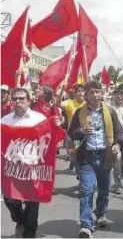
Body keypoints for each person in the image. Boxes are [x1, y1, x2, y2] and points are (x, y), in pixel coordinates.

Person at [1, 88, 61, 238]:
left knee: (32, 204)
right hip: (12, 169)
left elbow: (51, 134)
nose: (18, 101)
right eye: (15, 99)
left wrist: (58, 124)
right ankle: (19, 220)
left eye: (22, 98)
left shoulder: (39, 119)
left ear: (29, 100)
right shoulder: (5, 121)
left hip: (33, 168)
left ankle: (29, 233)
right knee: (11, 200)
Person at [68, 81, 123, 238]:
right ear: (86, 95)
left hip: (105, 156)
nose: (95, 95)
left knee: (104, 189)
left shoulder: (110, 112)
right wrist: (81, 130)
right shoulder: (79, 112)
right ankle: (86, 224)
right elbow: (71, 133)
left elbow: (120, 133)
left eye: (97, 92)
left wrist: (118, 145)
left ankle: (100, 214)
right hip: (86, 157)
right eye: (91, 92)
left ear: (102, 93)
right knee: (86, 190)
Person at [56, 84, 86, 171]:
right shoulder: (69, 103)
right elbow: (58, 104)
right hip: (73, 135)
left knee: (82, 155)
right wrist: (62, 90)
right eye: (79, 91)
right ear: (75, 94)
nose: (81, 93)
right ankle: (74, 163)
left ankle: (80, 173)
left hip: (85, 135)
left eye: (83, 91)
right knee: (74, 154)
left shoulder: (88, 104)